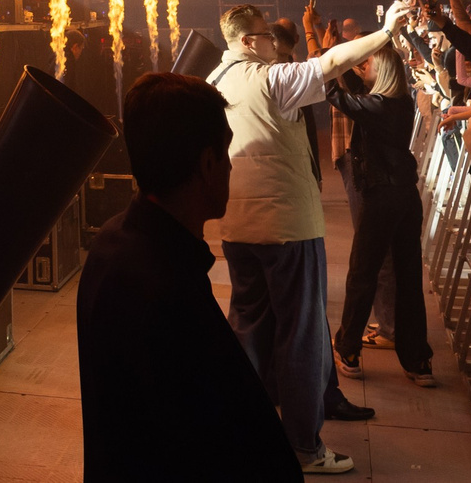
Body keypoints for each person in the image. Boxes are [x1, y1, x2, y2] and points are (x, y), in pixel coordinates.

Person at [209, 0, 411, 475]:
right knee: (301, 337)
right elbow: (330, 63)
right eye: (262, 35)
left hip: (238, 228)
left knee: (250, 330)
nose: (269, 44)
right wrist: (384, 32)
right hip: (287, 229)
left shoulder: (215, 81)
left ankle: (243, 431)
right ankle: (303, 446)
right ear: (245, 41)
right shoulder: (269, 79)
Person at [77, 73, 304, 483]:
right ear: (206, 164)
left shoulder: (115, 241)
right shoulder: (164, 286)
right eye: (227, 151)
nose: (232, 165)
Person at [327, 36, 433, 386]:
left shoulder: (379, 107)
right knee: (407, 277)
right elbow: (354, 88)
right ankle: (417, 361)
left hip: (381, 198)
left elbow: (338, 95)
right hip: (405, 198)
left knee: (363, 273)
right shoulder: (396, 102)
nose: (362, 67)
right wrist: (338, 52)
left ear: (382, 70)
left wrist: (323, 61)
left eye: (367, 63)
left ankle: (350, 350)